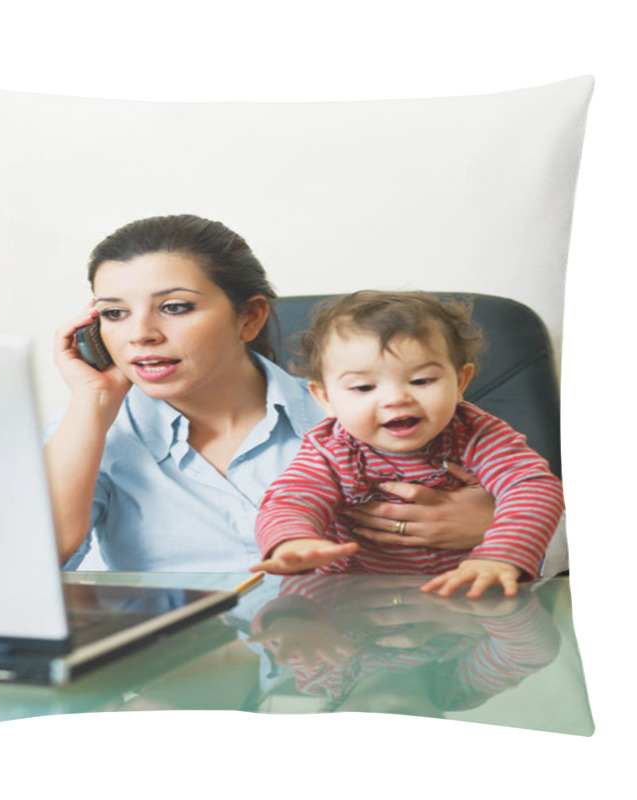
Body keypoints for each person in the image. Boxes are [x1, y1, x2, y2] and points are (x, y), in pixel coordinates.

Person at [44, 215, 495, 572]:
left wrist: (489, 527)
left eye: (174, 307)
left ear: (250, 317)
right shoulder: (90, 431)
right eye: (115, 313)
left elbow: (543, 525)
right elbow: (30, 563)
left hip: (355, 666)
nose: (140, 334)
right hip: (175, 671)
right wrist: (91, 401)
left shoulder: (372, 410)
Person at [251, 290, 564, 597]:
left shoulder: (477, 434)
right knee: (304, 627)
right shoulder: (331, 448)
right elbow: (291, 499)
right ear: (325, 398)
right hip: (355, 604)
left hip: (463, 597)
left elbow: (533, 487)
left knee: (521, 643)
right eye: (363, 387)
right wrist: (293, 542)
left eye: (421, 381)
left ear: (461, 382)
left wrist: (499, 555)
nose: (396, 398)